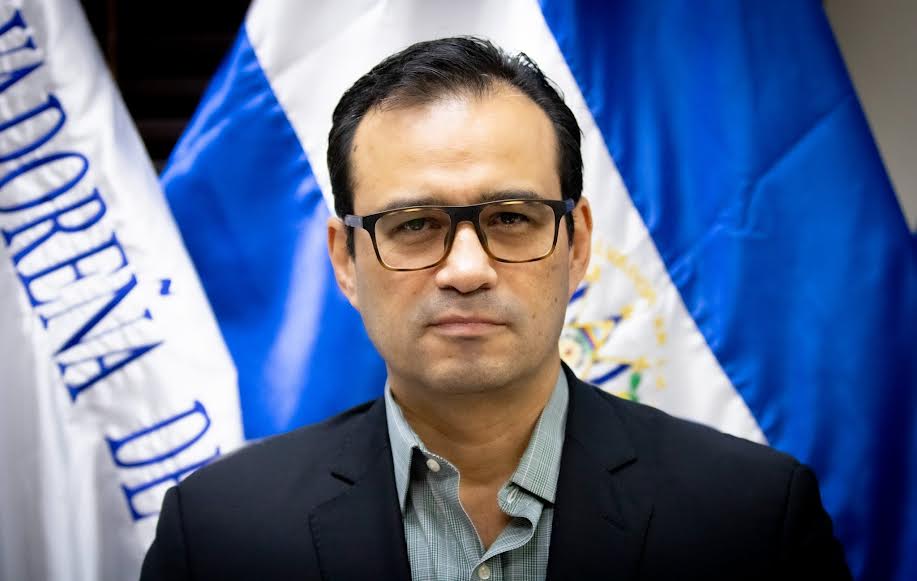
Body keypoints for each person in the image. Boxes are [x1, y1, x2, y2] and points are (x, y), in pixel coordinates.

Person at [140, 37, 851, 581]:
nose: (466, 270)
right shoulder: (219, 531)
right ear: (345, 259)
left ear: (576, 243)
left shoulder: (754, 517)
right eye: (414, 224)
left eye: (511, 218)